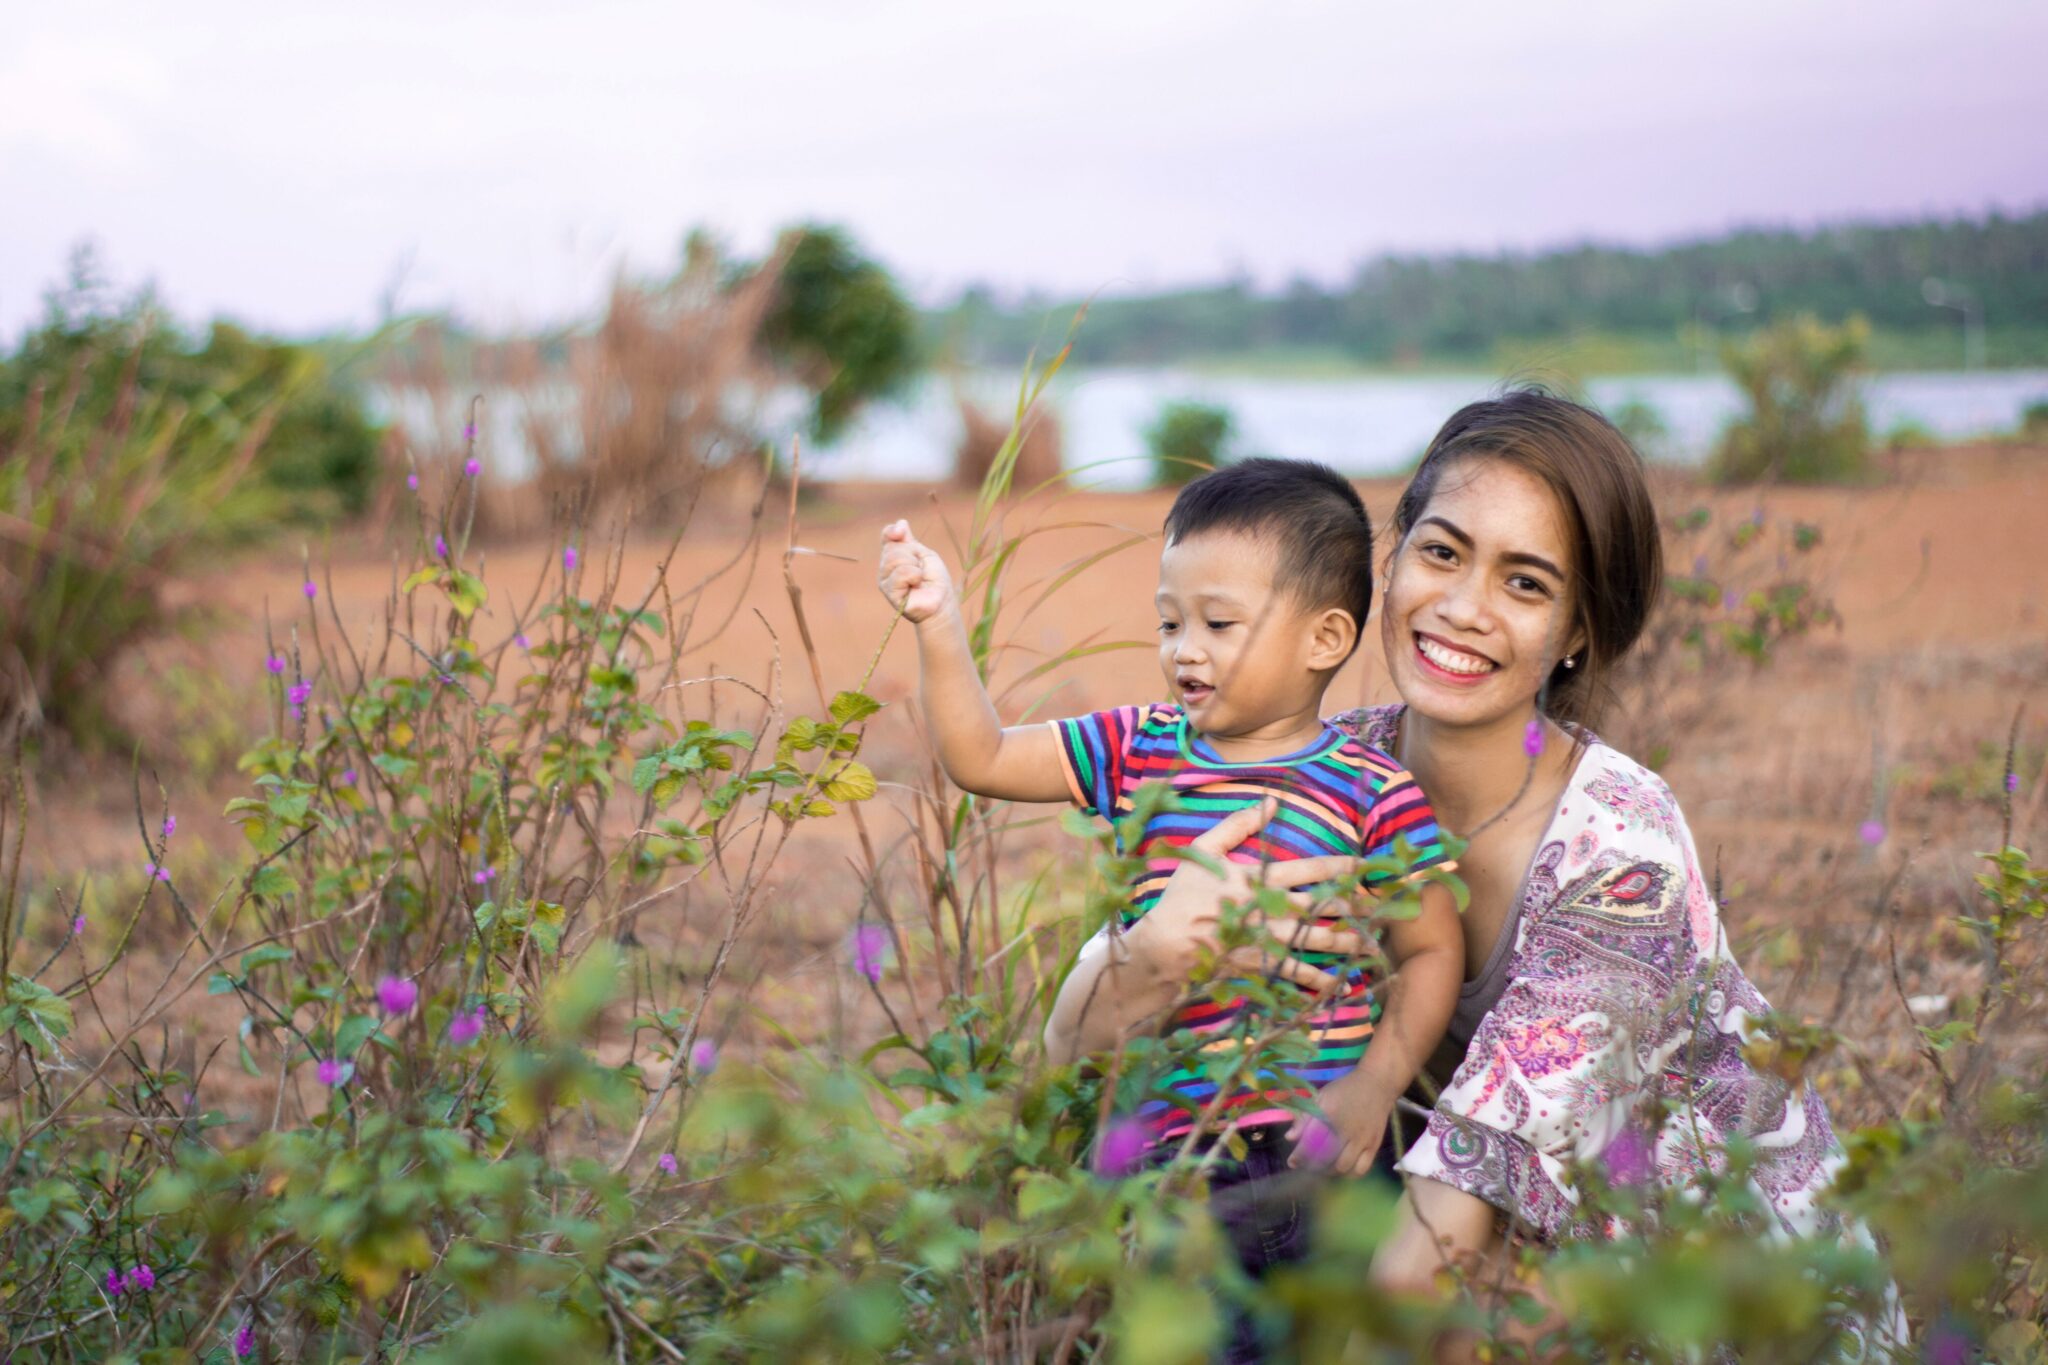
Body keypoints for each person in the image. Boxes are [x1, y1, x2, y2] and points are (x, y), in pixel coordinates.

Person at [1043, 390, 1904, 1360]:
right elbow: (1067, 1046)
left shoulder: (1619, 856)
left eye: (1524, 585)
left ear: (1577, 633)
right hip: (1464, 1243)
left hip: (1705, 1295)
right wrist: (1153, 949)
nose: (1460, 608)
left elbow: (1427, 1264)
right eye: (1442, 552)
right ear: (1394, 553)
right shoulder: (1329, 776)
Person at [879, 458, 1465, 1360]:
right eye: (1169, 621)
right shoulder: (1140, 747)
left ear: (1325, 636)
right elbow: (982, 756)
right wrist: (938, 624)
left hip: (1325, 1148)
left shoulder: (1373, 790)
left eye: (1218, 623)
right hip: (1177, 1161)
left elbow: (1431, 951)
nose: (1184, 648)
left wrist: (1377, 1083)